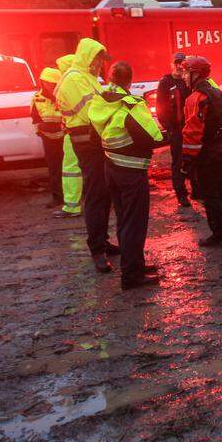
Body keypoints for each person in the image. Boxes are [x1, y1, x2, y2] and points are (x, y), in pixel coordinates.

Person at [89, 61, 164, 289]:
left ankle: (134, 264)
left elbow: (94, 136)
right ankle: (132, 275)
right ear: (130, 80)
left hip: (111, 168)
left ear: (111, 78)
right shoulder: (131, 105)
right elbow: (151, 138)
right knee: (134, 223)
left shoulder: (100, 100)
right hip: (131, 172)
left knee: (124, 220)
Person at [56, 38, 118, 272]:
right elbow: (92, 112)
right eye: (98, 59)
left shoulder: (87, 77)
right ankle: (97, 249)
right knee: (95, 195)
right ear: (88, 57)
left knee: (104, 193)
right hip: (87, 142)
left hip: (96, 141)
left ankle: (102, 241)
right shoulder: (74, 79)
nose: (101, 64)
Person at [180, 56, 222, 247]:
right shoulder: (218, 93)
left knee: (210, 193)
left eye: (186, 73)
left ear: (196, 74)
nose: (184, 76)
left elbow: (192, 133)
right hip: (221, 149)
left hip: (206, 154)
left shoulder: (195, 99)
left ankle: (218, 234)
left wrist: (186, 162)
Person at [157, 53, 194, 206]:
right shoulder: (165, 83)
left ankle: (197, 190)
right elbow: (160, 107)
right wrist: (169, 128)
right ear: (172, 65)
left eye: (182, 63)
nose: (179, 66)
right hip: (176, 130)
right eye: (176, 63)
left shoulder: (189, 81)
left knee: (194, 159)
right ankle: (181, 194)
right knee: (178, 162)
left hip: (192, 130)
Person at [53, 54, 83, 219]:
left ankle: (72, 206)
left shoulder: (69, 83)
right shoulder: (85, 80)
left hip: (74, 132)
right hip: (81, 131)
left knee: (71, 170)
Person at [32, 67, 66, 208]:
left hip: (65, 136)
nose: (50, 86)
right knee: (54, 168)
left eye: (53, 83)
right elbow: (35, 118)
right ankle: (57, 197)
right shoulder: (37, 98)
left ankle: (76, 195)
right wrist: (40, 132)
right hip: (48, 138)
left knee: (70, 167)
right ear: (43, 82)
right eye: (48, 83)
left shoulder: (63, 96)